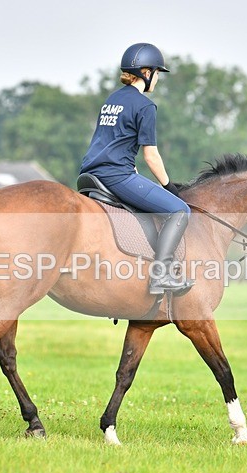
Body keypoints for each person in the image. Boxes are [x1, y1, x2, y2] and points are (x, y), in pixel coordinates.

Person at [80, 43, 193, 296]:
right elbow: (151, 156)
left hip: (90, 173)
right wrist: (169, 187)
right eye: (156, 73)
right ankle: (161, 275)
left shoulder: (112, 100)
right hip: (116, 175)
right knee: (180, 210)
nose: (157, 79)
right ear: (146, 72)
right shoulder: (144, 106)